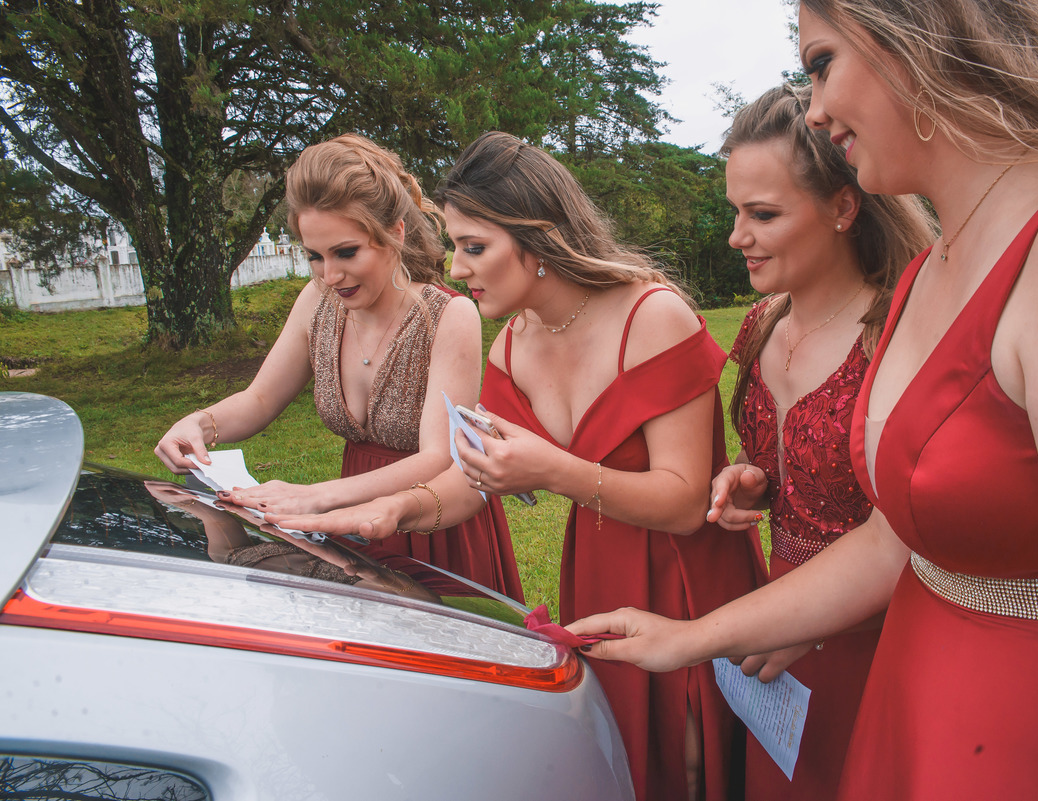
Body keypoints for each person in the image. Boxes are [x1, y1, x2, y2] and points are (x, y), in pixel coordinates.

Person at [568, 2, 1038, 800]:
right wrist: (691, 637)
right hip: (911, 719)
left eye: (822, 62)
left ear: (920, 34)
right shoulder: (927, 274)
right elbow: (891, 543)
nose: (819, 107)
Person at [269, 131, 768, 801]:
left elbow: (682, 501)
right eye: (454, 245)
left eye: (474, 246)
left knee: (692, 766)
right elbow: (468, 482)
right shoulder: (512, 348)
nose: (457, 266)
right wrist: (400, 509)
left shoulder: (653, 315)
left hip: (687, 576)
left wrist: (553, 470)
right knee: (617, 760)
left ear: (536, 241)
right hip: (595, 574)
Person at [154, 133, 523, 600]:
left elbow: (438, 457)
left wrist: (318, 495)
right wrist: (201, 423)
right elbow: (260, 398)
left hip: (431, 520)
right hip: (348, 523)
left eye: (346, 253)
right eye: (315, 256)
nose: (330, 275)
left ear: (395, 232)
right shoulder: (316, 302)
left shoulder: (448, 316)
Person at [710, 83, 933, 801]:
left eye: (763, 214)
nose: (737, 236)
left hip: (880, 636)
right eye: (734, 212)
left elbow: (923, 523)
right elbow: (794, 464)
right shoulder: (760, 325)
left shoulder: (895, 333)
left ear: (843, 207)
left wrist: (810, 624)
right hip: (776, 620)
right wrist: (752, 478)